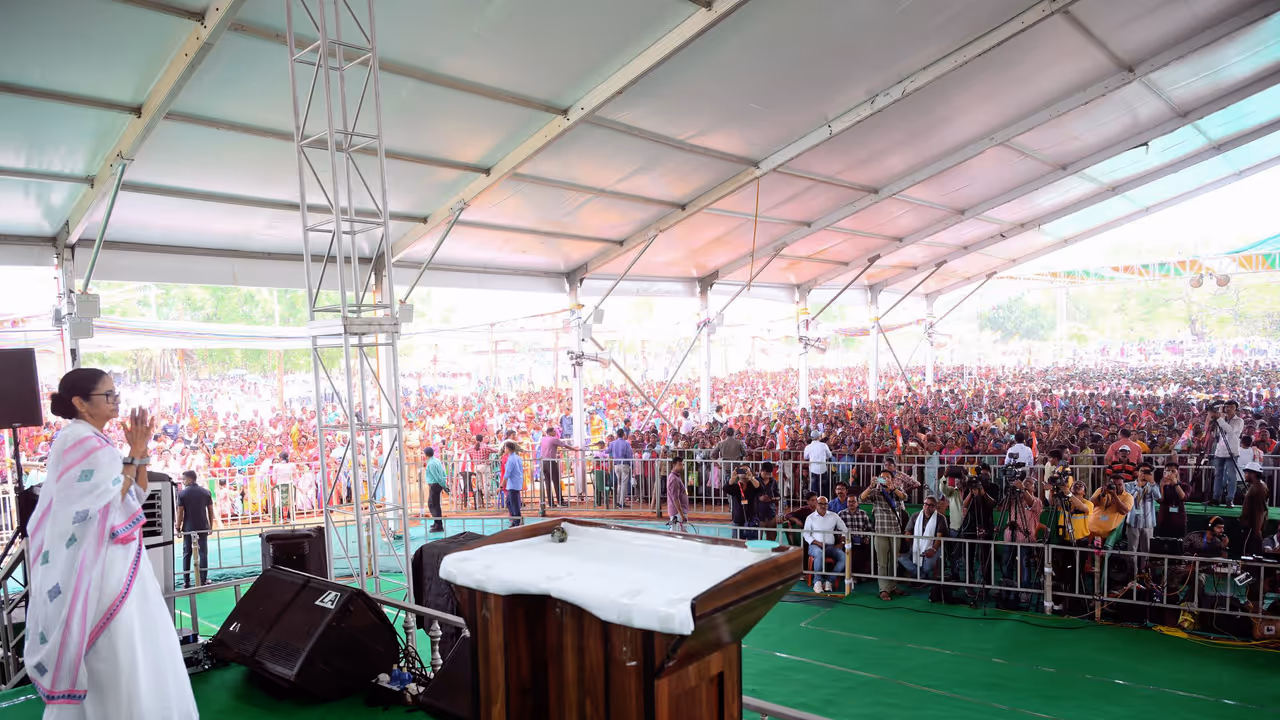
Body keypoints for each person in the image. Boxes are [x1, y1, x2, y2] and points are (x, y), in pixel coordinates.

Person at [26, 368, 198, 718]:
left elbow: (134, 492)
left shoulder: (95, 440)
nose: (116, 400)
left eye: (115, 393)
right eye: (108, 394)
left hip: (120, 564)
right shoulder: (78, 440)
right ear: (80, 403)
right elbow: (103, 501)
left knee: (139, 645)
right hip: (99, 570)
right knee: (114, 650)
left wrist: (139, 451)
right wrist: (133, 454)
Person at [859, 470, 907, 602]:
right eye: (882, 478)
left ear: (892, 479)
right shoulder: (875, 491)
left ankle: (892, 586)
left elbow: (905, 497)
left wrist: (894, 488)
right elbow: (861, 498)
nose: (885, 480)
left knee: (894, 562)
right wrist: (870, 486)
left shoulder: (896, 490)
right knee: (882, 562)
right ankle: (883, 589)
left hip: (895, 531)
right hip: (881, 531)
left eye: (887, 478)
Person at [175, 470, 215, 588]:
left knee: (187, 553)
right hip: (202, 526)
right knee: (203, 553)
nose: (183, 481)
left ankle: (186, 581)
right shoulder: (206, 492)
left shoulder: (182, 494)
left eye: (184, 479)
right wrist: (210, 526)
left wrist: (178, 527)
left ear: (190, 479)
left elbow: (180, 512)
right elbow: (210, 510)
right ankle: (203, 579)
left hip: (188, 527)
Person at [802, 496, 848, 593]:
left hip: (829, 546)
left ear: (828, 505)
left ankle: (829, 581)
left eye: (825, 504)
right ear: (816, 505)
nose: (823, 506)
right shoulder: (810, 518)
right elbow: (806, 534)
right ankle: (817, 582)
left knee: (844, 557)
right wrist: (817, 542)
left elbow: (845, 530)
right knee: (819, 553)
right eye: (820, 504)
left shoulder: (834, 516)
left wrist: (842, 542)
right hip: (815, 546)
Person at [899, 495, 948, 581]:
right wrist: (911, 546)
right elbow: (907, 533)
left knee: (927, 567)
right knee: (900, 557)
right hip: (915, 545)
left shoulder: (940, 518)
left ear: (936, 507)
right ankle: (922, 575)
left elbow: (939, 538)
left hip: (933, 547)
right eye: (926, 504)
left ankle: (919, 575)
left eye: (931, 505)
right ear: (923, 505)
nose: (927, 507)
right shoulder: (915, 516)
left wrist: (933, 550)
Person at [1208, 400, 1244, 507]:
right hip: (1220, 450)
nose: (1228, 409)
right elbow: (1216, 435)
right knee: (1218, 475)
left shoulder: (1239, 421)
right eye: (1227, 406)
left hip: (1231, 451)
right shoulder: (1221, 419)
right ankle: (1216, 498)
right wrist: (1215, 423)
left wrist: (1219, 419)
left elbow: (1231, 431)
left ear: (1236, 409)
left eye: (1231, 407)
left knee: (1231, 476)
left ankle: (1229, 499)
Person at [1124, 464, 1161, 562]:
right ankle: (1133, 575)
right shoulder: (1128, 485)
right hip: (1133, 522)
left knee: (1147, 552)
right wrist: (1138, 487)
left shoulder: (1153, 486)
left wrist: (1152, 482)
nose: (1144, 474)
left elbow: (1158, 497)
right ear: (1137, 473)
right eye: (1142, 471)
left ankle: (1145, 575)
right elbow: (1128, 499)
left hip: (1148, 523)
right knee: (1132, 551)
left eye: (1147, 472)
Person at [538, 427, 578, 509]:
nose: (555, 432)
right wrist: (575, 449)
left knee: (547, 483)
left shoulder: (543, 439)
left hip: (543, 462)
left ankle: (551, 502)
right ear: (551, 432)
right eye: (554, 431)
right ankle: (560, 501)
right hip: (551, 462)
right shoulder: (553, 439)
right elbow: (565, 445)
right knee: (556, 481)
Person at [1239, 462, 1270, 556]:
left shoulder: (1258, 488)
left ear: (1254, 474)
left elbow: (1260, 511)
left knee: (1248, 554)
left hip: (1252, 528)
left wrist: (1257, 532)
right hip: (1251, 526)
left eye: (1247, 472)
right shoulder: (1256, 486)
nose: (1245, 474)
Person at [1155, 458, 1190, 539]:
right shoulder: (1160, 485)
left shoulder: (1185, 486)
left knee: (1179, 545)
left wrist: (1176, 484)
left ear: (1178, 472)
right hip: (1164, 519)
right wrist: (1161, 487)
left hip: (1179, 520)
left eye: (1173, 471)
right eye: (1168, 471)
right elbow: (1160, 500)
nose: (1170, 474)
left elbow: (1184, 498)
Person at [724, 465, 760, 540]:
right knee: (737, 545)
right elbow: (725, 488)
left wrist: (752, 478)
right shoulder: (735, 486)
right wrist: (732, 478)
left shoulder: (753, 485)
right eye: (741, 471)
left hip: (752, 519)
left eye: (746, 471)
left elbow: (760, 488)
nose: (744, 473)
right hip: (738, 519)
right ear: (738, 473)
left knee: (752, 544)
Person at [607, 429, 634, 508]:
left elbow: (607, 451)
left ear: (617, 435)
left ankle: (619, 502)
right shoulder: (626, 443)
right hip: (624, 465)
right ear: (623, 434)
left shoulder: (612, 443)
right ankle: (621, 503)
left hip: (616, 465)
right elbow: (629, 454)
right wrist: (631, 465)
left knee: (619, 484)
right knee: (623, 484)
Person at [424, 446, 448, 533]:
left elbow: (437, 476)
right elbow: (442, 473)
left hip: (435, 485)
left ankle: (439, 525)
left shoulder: (431, 464)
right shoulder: (436, 460)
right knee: (433, 504)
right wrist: (444, 484)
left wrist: (444, 486)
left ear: (425, 454)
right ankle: (436, 522)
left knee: (434, 505)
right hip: (436, 484)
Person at [803, 431, 833, 498]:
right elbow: (829, 455)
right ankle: (825, 502)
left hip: (813, 469)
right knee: (824, 488)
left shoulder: (808, 447)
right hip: (823, 469)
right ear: (819, 437)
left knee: (814, 488)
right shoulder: (824, 445)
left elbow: (805, 457)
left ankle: (814, 503)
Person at [502, 441, 524, 527]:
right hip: (517, 482)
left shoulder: (510, 460)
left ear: (507, 449)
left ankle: (517, 521)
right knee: (510, 502)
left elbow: (507, 474)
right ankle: (516, 519)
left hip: (512, 484)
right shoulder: (518, 457)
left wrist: (501, 486)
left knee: (513, 503)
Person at [666, 456, 690, 531]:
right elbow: (675, 499)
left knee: (681, 532)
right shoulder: (674, 479)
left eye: (682, 465)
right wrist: (681, 514)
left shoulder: (677, 477)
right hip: (677, 513)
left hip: (679, 511)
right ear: (674, 465)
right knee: (677, 533)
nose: (682, 467)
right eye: (680, 465)